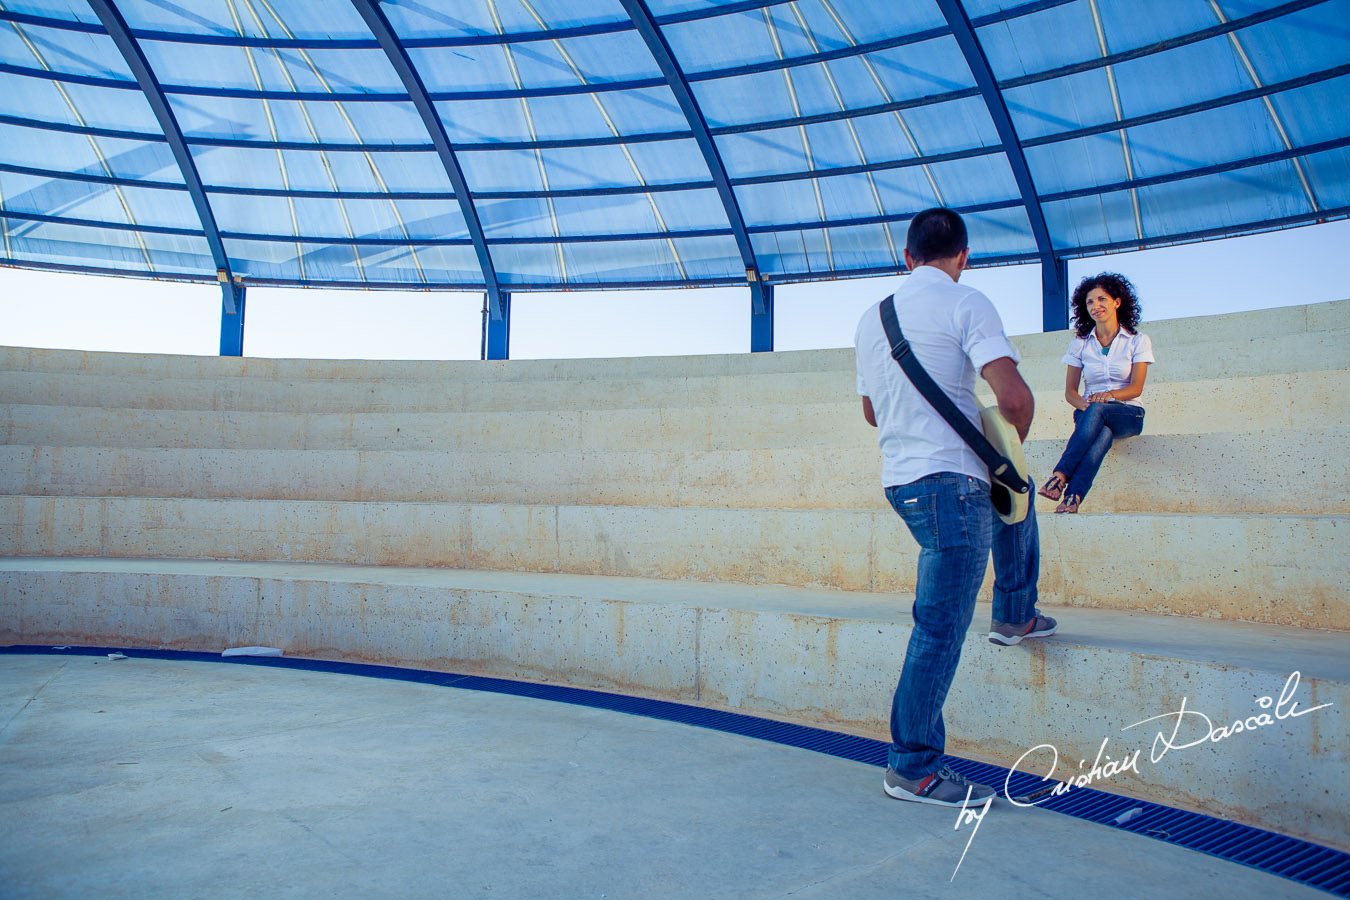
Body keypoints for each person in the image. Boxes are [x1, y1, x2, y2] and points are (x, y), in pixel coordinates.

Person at [855, 208, 1057, 809]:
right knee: (939, 629)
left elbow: (871, 413)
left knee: (1010, 505)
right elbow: (1015, 399)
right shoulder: (967, 303)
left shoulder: (873, 317)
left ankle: (1014, 613)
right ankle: (912, 768)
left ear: (908, 256)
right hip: (952, 484)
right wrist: (1006, 440)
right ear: (961, 258)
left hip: (903, 483)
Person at [1038, 274, 1155, 513]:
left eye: (1102, 299)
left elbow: (1136, 388)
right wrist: (1087, 407)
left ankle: (1059, 475)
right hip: (1089, 412)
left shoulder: (1137, 341)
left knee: (1099, 411)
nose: (1095, 306)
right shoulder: (1080, 344)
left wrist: (1107, 397)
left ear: (1117, 302)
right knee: (1102, 435)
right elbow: (1070, 392)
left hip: (1129, 413)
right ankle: (1072, 498)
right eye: (1090, 302)